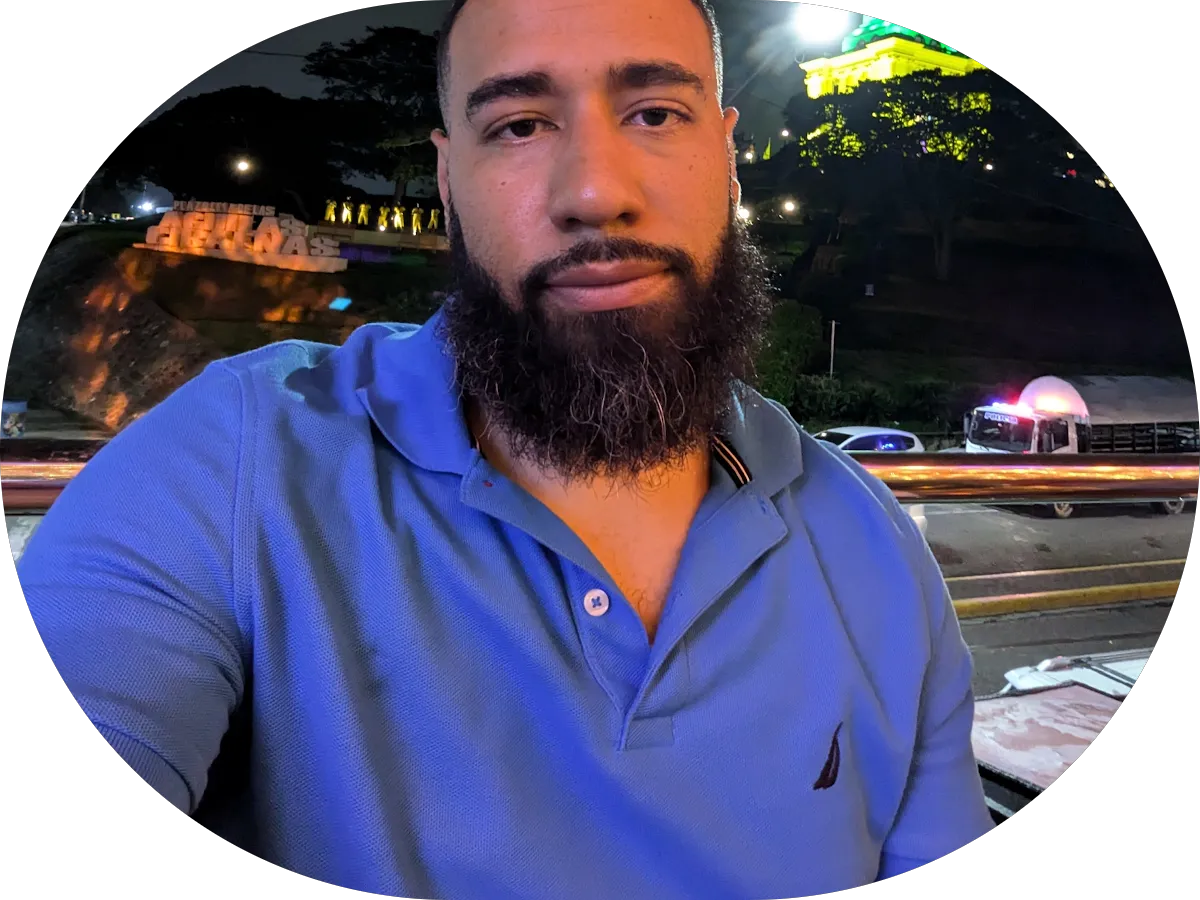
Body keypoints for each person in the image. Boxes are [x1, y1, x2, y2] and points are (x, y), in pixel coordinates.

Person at [18, 0, 994, 896]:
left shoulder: (874, 543)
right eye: (520, 125)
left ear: (728, 157)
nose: (596, 193)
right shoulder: (231, 462)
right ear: (450, 180)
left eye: (656, 113)